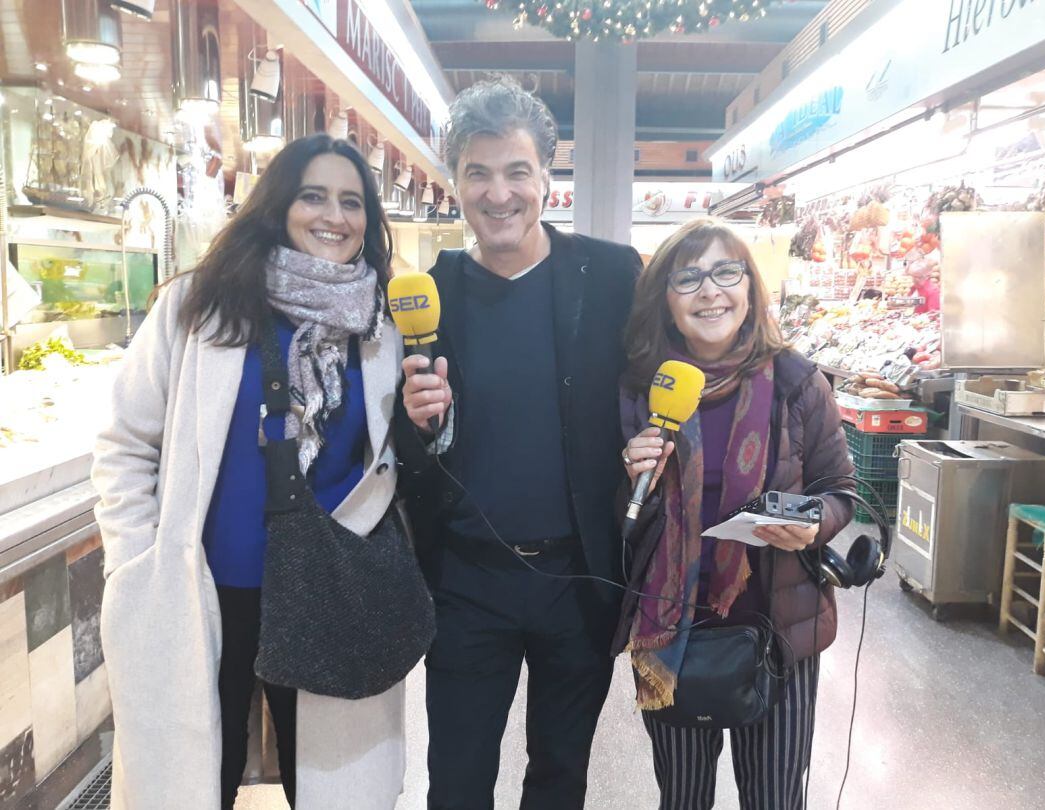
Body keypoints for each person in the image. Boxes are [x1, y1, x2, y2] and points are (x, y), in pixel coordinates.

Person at [92, 134, 409, 809]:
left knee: (323, 782)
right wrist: (135, 557)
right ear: (279, 204)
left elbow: (386, 463)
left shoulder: (381, 326)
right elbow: (125, 440)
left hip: (326, 589)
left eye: (352, 201)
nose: (335, 215)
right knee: (198, 775)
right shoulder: (197, 305)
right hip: (204, 587)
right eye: (314, 196)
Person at [394, 76, 641, 810]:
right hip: (469, 583)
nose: (498, 193)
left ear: (547, 179)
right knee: (459, 780)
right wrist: (417, 424)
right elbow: (403, 457)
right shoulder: (430, 292)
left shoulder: (610, 277)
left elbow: (671, 377)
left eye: (516, 172)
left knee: (560, 776)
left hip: (580, 577)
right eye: (478, 173)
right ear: (455, 184)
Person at [614, 219, 855, 810]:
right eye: (687, 277)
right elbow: (614, 520)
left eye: (727, 272)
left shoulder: (797, 382)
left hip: (778, 633)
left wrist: (810, 521)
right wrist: (624, 470)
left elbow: (839, 490)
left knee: (774, 798)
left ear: (750, 288)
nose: (710, 291)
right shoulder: (641, 389)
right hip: (672, 635)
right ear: (665, 301)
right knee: (683, 797)